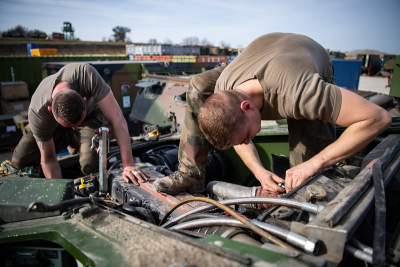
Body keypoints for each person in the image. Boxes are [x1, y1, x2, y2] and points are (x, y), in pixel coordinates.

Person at [153, 32, 391, 195]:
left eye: (247, 137)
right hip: (262, 53)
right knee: (197, 85)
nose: (249, 142)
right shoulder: (223, 91)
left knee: (308, 169)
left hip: (303, 56)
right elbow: (236, 130)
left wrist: (314, 164)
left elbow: (378, 118)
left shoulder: (301, 94)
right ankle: (191, 174)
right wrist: (260, 172)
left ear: (247, 107)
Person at [11, 63, 148, 185]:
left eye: (77, 125)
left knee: (89, 166)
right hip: (51, 127)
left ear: (84, 100)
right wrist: (60, 193)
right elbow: (49, 160)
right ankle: (70, 137)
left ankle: (77, 137)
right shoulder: (38, 113)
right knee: (19, 161)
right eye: (71, 127)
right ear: (51, 110)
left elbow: (118, 119)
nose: (75, 128)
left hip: (90, 117)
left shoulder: (86, 75)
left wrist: (128, 165)